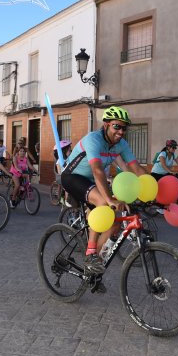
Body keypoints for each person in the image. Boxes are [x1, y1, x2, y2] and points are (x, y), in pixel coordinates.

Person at [61, 106, 146, 278]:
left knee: (115, 221)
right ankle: (90, 254)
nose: (121, 131)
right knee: (103, 203)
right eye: (117, 126)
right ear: (106, 125)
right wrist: (109, 199)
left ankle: (92, 268)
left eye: (124, 127)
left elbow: (135, 168)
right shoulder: (94, 139)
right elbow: (98, 170)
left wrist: (152, 191)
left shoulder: (120, 145)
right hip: (72, 177)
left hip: (91, 181)